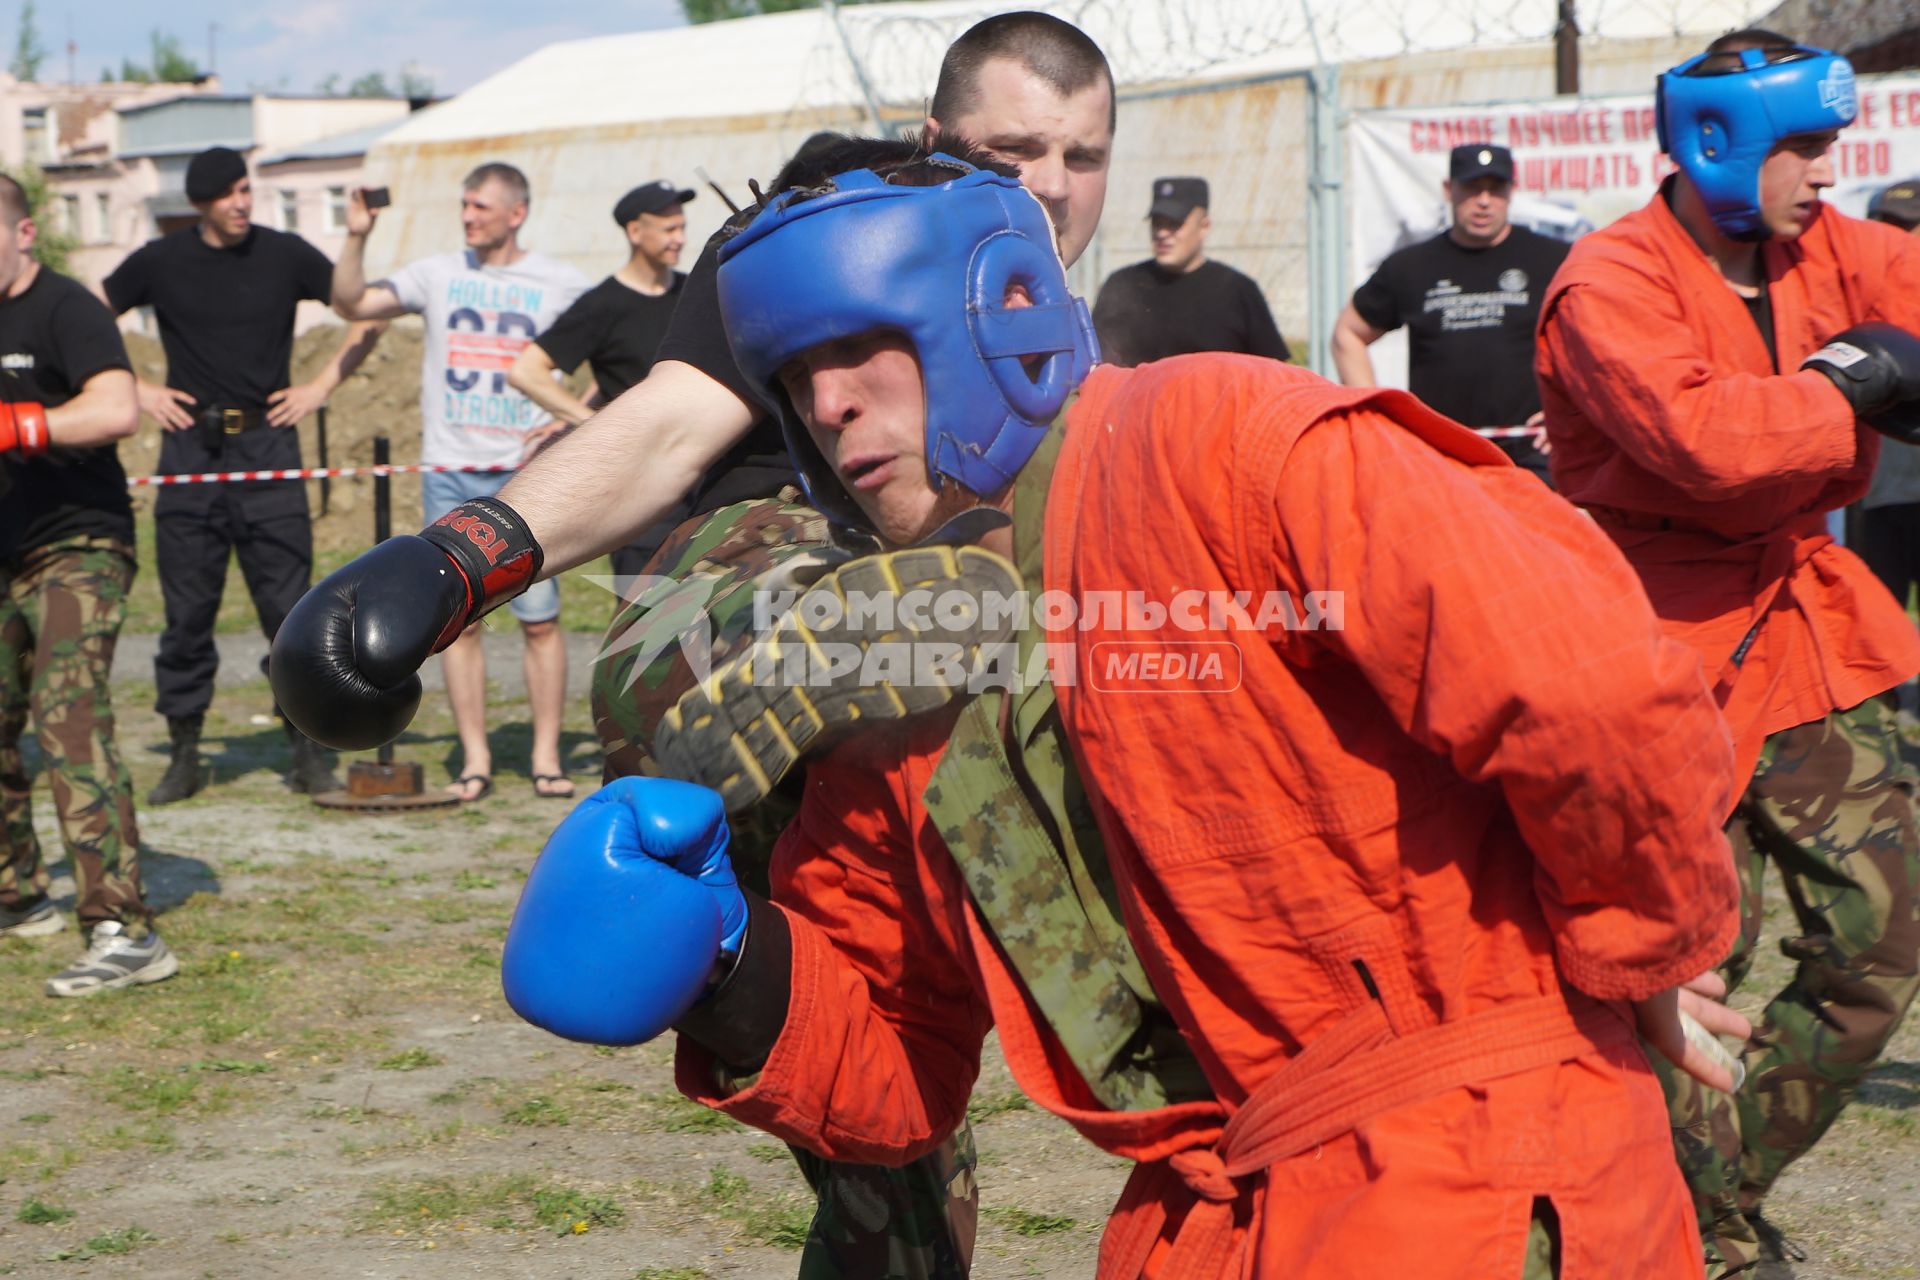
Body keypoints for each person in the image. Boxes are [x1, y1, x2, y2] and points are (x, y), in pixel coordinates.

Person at [497, 148, 1753, 1278]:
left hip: (1477, 1175)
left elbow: (1587, 678)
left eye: (857, 346)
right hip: (1210, 1215)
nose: (826, 406)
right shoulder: (900, 675)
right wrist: (725, 959)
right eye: (793, 376)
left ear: (990, 311)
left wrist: (1638, 948)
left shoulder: (1227, 441)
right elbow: (895, 1071)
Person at [276, 16, 1117, 1278]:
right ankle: (831, 636)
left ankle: (746, 948)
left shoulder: (1064, 320)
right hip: (753, 583)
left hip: (931, 727)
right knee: (790, 572)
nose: (1049, 185)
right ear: (936, 140)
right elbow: (667, 433)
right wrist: (463, 556)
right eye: (1014, 150)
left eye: (1082, 154)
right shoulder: (829, 239)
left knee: (902, 1150)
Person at [1535, 32, 1920, 1277]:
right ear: (1718, 143)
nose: (1826, 171)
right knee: (1688, 962)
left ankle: (1713, 1194)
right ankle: (1687, 1231)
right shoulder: (1609, 281)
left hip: (1811, 629)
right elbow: (1711, 443)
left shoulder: (1828, 246)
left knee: (1885, 938)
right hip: (1658, 650)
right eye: (1801, 148)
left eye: (1827, 143)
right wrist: (1858, 381)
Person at [102, 146, 374, 805]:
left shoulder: (283, 253)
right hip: (190, 456)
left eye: (246, 189)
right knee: (186, 615)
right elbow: (84, 320)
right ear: (200, 202)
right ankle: (186, 753)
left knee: (291, 613)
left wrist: (319, 385)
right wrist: (139, 390)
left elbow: (356, 304)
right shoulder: (160, 262)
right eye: (228, 194)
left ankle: (308, 751)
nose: (242, 202)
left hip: (269, 449)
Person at [330, 162, 590, 802]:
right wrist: (357, 235)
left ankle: (546, 757)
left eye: (479, 206)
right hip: (450, 470)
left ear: (515, 212)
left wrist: (571, 417)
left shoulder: (560, 282)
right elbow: (351, 303)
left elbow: (619, 350)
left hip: (529, 476)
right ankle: (474, 759)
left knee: (539, 620)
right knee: (458, 626)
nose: (468, 216)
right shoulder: (438, 273)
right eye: (464, 206)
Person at [0, 172, 179, 995]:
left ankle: (122, 928)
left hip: (78, 542)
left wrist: (20, 423)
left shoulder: (66, 307)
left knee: (66, 711)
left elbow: (115, 409)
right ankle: (15, 893)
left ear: (24, 232)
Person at [1332, 144, 1570, 487]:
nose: (1484, 200)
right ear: (1449, 190)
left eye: (1496, 189)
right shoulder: (1411, 266)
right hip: (1438, 455)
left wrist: (1572, 411)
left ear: (1512, 191)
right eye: (1472, 187)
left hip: (1531, 455)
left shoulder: (1553, 260)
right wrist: (1374, 418)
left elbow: (1599, 341)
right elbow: (1348, 335)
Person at [508, 179, 694, 579]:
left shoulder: (694, 291)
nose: (679, 239)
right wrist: (593, 424)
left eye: (682, 228)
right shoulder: (603, 304)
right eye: (668, 229)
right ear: (635, 232)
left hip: (703, 483)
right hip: (643, 494)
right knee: (648, 625)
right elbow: (527, 371)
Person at [1090, 175, 1290, 366]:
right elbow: (1095, 364)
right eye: (1157, 224)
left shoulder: (1236, 290)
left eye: (1174, 224)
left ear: (1204, 226)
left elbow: (1274, 374)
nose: (1162, 234)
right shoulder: (1123, 285)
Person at [1856, 179, 1920, 616]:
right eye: (1887, 224)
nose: (1898, 237)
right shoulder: (1857, 303)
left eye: (1910, 225)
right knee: (1876, 633)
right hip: (1877, 498)